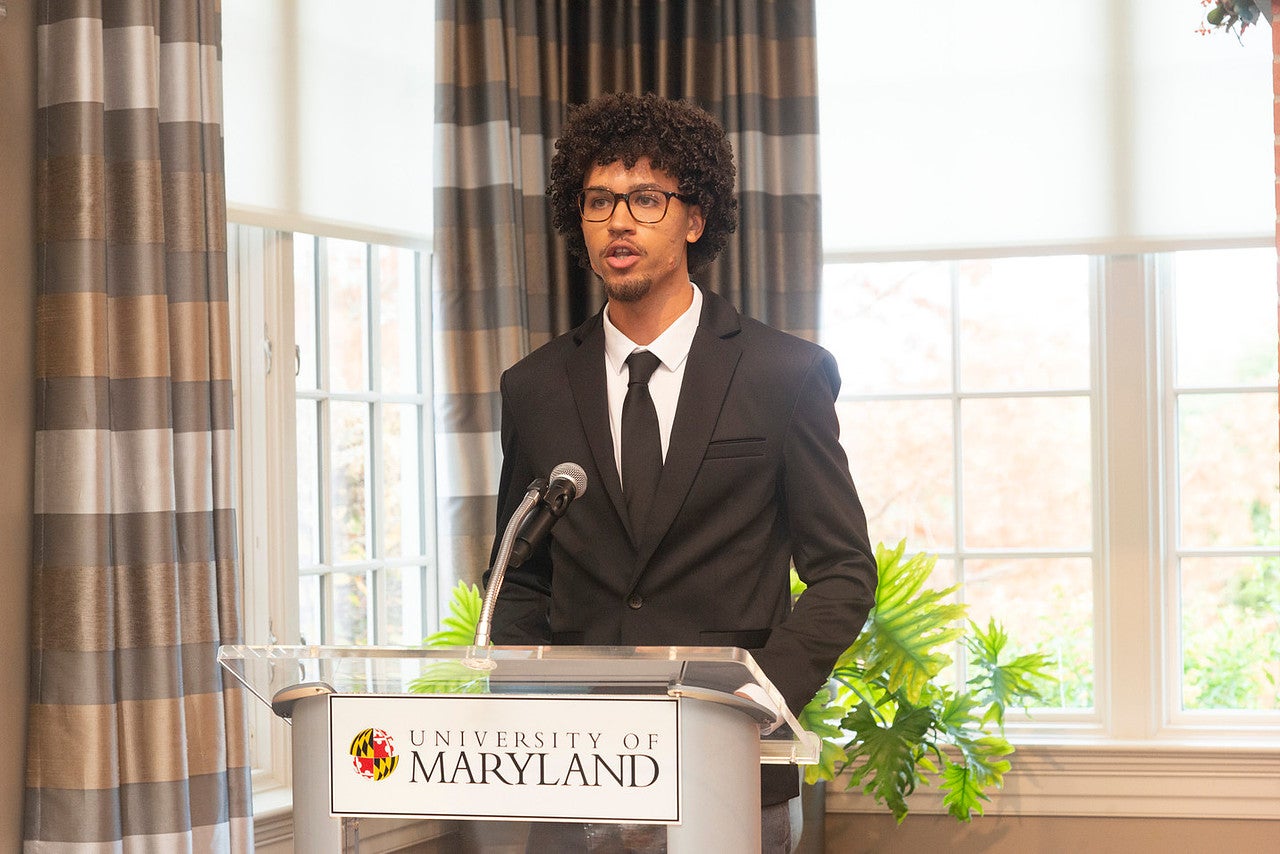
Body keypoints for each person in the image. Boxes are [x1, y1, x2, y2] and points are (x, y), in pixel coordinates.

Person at [486, 91, 878, 852]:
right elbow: (518, 578)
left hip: (726, 771)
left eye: (646, 198)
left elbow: (843, 572)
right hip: (575, 777)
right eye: (598, 200)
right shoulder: (532, 388)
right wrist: (542, 709)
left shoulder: (783, 373)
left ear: (695, 220)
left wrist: (759, 698)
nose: (618, 220)